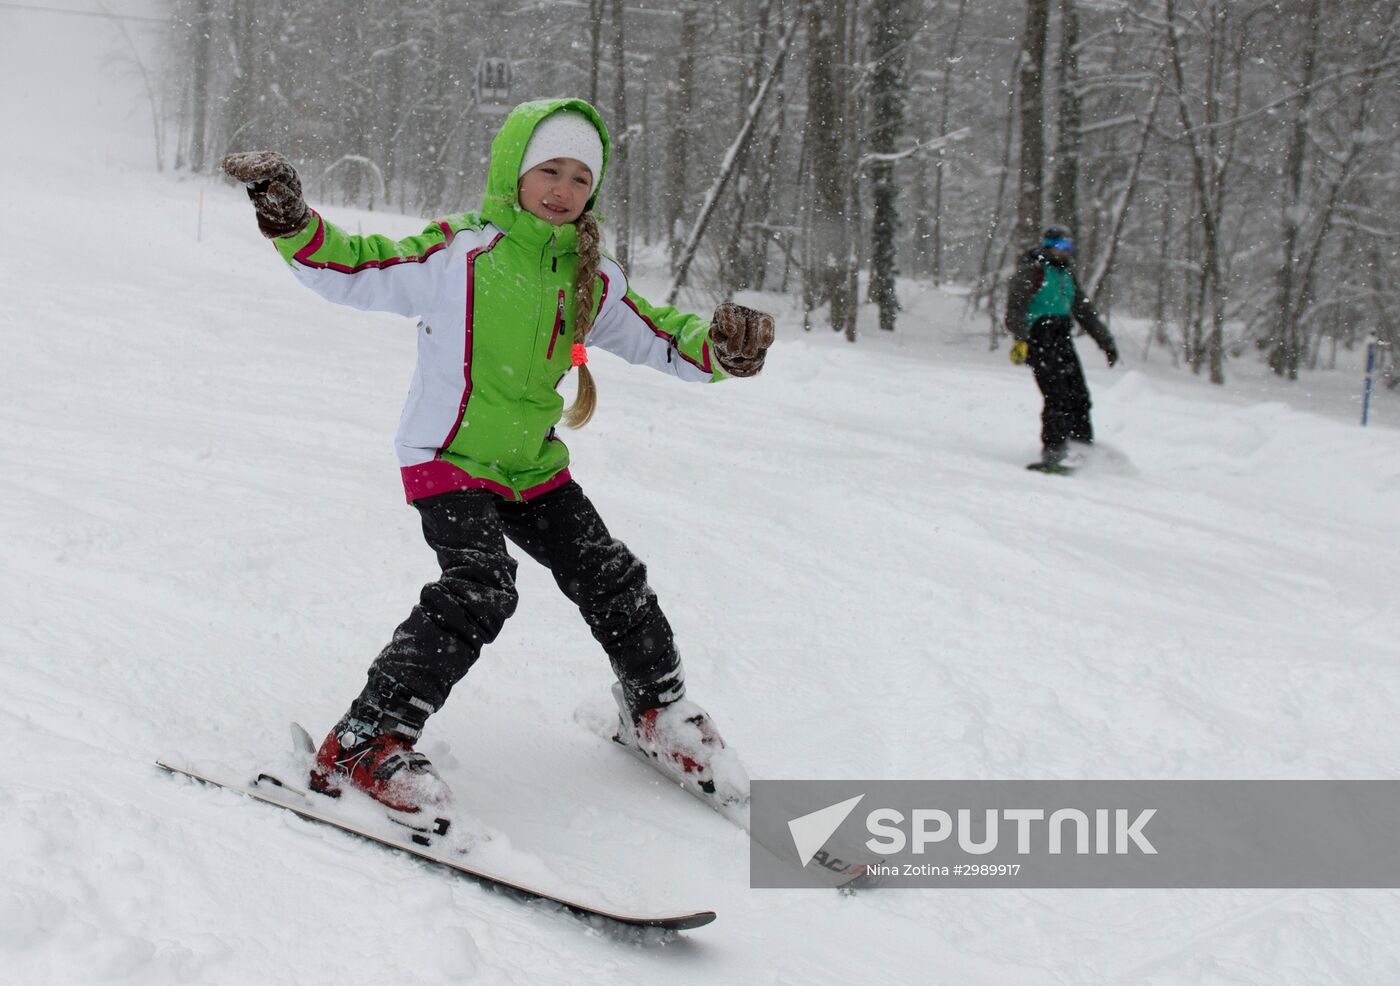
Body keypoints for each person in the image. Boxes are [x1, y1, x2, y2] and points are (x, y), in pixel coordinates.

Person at [220, 98, 774, 819]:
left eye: (580, 177)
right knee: (481, 585)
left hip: (533, 466)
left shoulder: (589, 277)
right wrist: (291, 219)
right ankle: (365, 741)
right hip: (448, 457)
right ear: (514, 169)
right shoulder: (460, 253)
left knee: (611, 576)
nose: (562, 189)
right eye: (549, 169)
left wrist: (721, 350)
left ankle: (657, 711)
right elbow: (353, 266)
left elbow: (660, 335)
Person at [1004, 225, 1118, 466]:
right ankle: (1054, 452)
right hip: (1039, 336)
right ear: (1048, 246)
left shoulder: (1067, 273)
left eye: (1069, 247)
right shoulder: (1032, 271)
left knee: (1079, 394)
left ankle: (1081, 448)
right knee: (1057, 395)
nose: (1066, 252)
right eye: (1061, 246)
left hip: (1061, 335)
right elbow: (1014, 308)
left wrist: (1105, 342)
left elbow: (1084, 310)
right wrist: (1022, 339)